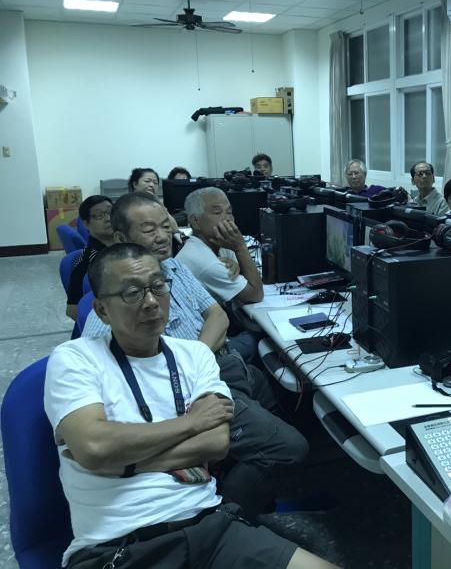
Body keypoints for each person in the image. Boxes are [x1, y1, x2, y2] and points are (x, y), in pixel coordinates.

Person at [45, 243, 335, 569]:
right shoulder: (76, 359)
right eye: (132, 293)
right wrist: (190, 423)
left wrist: (122, 463)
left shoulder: (195, 354)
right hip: (120, 546)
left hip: (210, 526)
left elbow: (216, 442)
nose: (151, 302)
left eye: (158, 286)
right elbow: (95, 447)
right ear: (101, 310)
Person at [82, 193, 308, 518]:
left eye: (165, 226)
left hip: (219, 363)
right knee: (287, 447)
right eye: (149, 230)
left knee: (272, 392)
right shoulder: (108, 321)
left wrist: (196, 358)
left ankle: (263, 490)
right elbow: (106, 412)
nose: (162, 236)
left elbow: (218, 316)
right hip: (195, 392)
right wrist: (194, 371)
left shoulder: (172, 266)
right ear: (120, 239)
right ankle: (222, 517)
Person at [176, 187, 264, 362]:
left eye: (229, 212)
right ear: (195, 222)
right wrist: (240, 247)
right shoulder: (203, 259)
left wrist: (236, 261)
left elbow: (246, 274)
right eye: (217, 213)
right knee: (262, 337)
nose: (227, 218)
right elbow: (255, 294)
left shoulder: (216, 244)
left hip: (209, 334)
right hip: (203, 349)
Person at [65, 195, 114, 320]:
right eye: (99, 215)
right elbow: (72, 310)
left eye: (111, 212)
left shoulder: (128, 245)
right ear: (86, 223)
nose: (108, 218)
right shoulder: (87, 262)